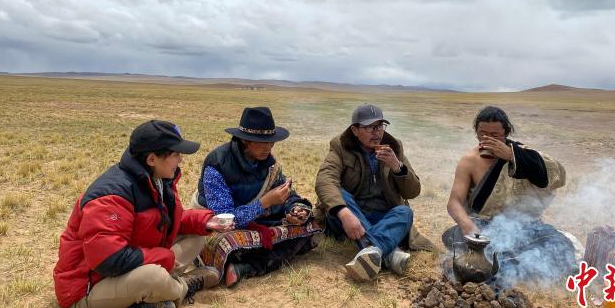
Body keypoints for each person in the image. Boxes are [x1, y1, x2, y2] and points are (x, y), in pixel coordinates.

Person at [53, 120, 232, 308]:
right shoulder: (111, 196)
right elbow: (108, 261)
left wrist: (206, 221)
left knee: (197, 235)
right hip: (88, 289)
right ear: (152, 159)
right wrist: (164, 258)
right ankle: (183, 286)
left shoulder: (156, 179)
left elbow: (167, 220)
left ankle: (154, 293)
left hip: (126, 270)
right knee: (153, 277)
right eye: (175, 154)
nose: (181, 159)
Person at [191, 107, 321, 287]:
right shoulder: (217, 164)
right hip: (220, 224)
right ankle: (252, 261)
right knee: (228, 243)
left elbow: (287, 194)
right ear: (245, 140)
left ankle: (246, 267)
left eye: (271, 142)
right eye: (261, 142)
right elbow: (224, 220)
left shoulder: (270, 164)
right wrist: (264, 203)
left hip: (258, 221)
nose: (268, 148)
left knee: (310, 224)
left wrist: (296, 209)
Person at [444, 106, 574, 283]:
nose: (487, 139)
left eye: (495, 135)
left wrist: (512, 157)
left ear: (506, 133)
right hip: (484, 226)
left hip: (524, 226)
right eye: (482, 134)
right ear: (476, 133)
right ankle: (511, 264)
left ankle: (498, 264)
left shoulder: (522, 156)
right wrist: (468, 226)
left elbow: (556, 174)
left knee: (559, 244)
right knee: (454, 236)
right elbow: (454, 202)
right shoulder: (469, 161)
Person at [314, 103, 434, 282]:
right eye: (369, 127)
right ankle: (389, 254)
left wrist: (397, 167)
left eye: (380, 126)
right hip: (351, 215)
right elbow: (325, 179)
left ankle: (373, 250)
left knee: (405, 212)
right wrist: (344, 213)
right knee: (340, 193)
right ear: (355, 130)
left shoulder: (394, 147)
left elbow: (413, 191)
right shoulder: (341, 146)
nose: (377, 132)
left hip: (381, 215)